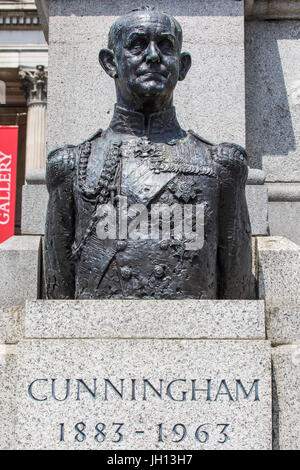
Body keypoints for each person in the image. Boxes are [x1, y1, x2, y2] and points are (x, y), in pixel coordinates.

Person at [45, 6, 251, 300]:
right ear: (110, 62)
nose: (153, 56)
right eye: (137, 44)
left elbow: (237, 295)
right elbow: (58, 301)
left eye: (165, 46)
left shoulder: (221, 165)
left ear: (182, 65)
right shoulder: (71, 165)